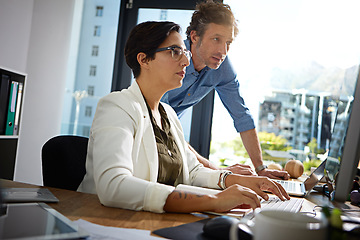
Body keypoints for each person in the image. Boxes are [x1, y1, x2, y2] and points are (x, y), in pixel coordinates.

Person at [77, 21, 289, 213]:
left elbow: (193, 171)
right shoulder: (116, 107)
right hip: (105, 223)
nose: (186, 61)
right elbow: (114, 186)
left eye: (185, 52)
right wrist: (213, 200)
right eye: (174, 52)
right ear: (144, 60)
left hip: (153, 223)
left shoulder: (168, 114)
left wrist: (234, 180)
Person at [161, 1, 290, 179]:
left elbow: (242, 116)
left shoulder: (222, 69)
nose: (223, 50)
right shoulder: (169, 60)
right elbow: (162, 124)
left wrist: (261, 169)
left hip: (169, 137)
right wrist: (215, 170)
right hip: (142, 129)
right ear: (194, 36)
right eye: (216, 39)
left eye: (228, 42)